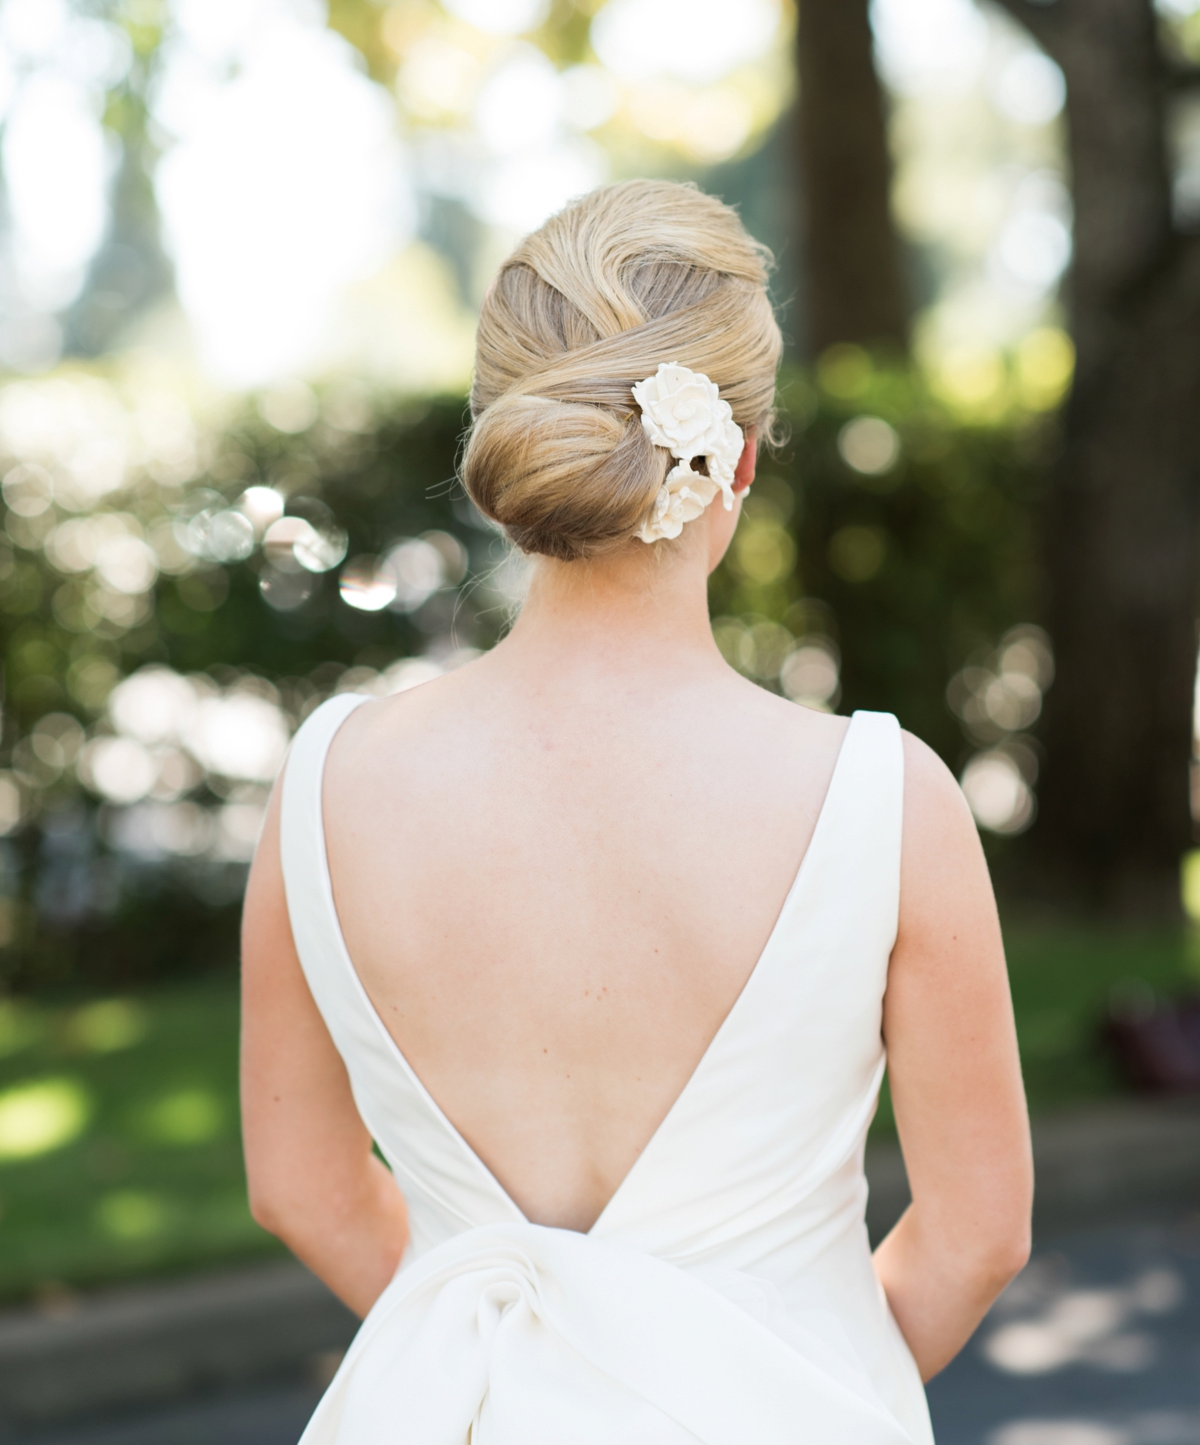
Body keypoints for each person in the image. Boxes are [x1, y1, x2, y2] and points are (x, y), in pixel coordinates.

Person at [241, 179, 1032, 1444]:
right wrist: (777, 1373)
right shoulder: (888, 801)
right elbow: (980, 1232)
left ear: (514, 443)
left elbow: (302, 1189)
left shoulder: (327, 780)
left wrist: (521, 1373)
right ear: (742, 460)